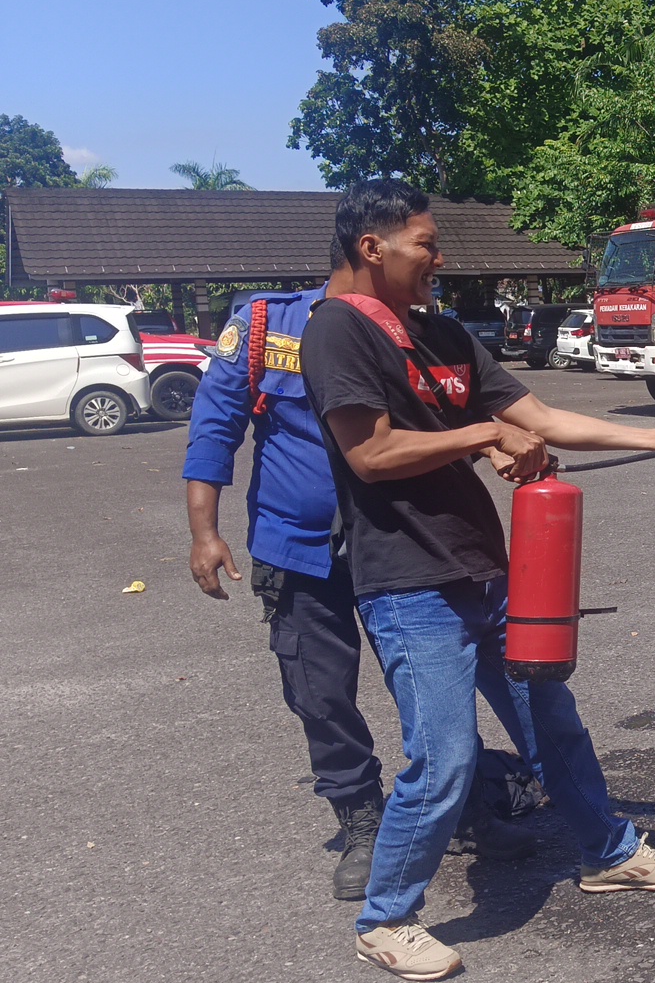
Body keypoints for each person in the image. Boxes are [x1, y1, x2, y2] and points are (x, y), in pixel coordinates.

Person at [302, 180, 655, 982]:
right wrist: (485, 433)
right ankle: (385, 918)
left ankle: (609, 852)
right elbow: (371, 454)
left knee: (549, 721)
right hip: (409, 582)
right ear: (371, 248)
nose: (438, 257)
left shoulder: (443, 333)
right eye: (424, 243)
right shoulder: (338, 333)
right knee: (446, 755)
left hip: (486, 571)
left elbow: (545, 419)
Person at [183, 241, 532, 903]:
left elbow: (446, 426)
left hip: (404, 544)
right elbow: (214, 427)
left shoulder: (417, 335)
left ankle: (465, 807)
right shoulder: (267, 325)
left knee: (435, 683)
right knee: (321, 693)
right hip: (299, 552)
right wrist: (204, 531)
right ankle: (363, 822)